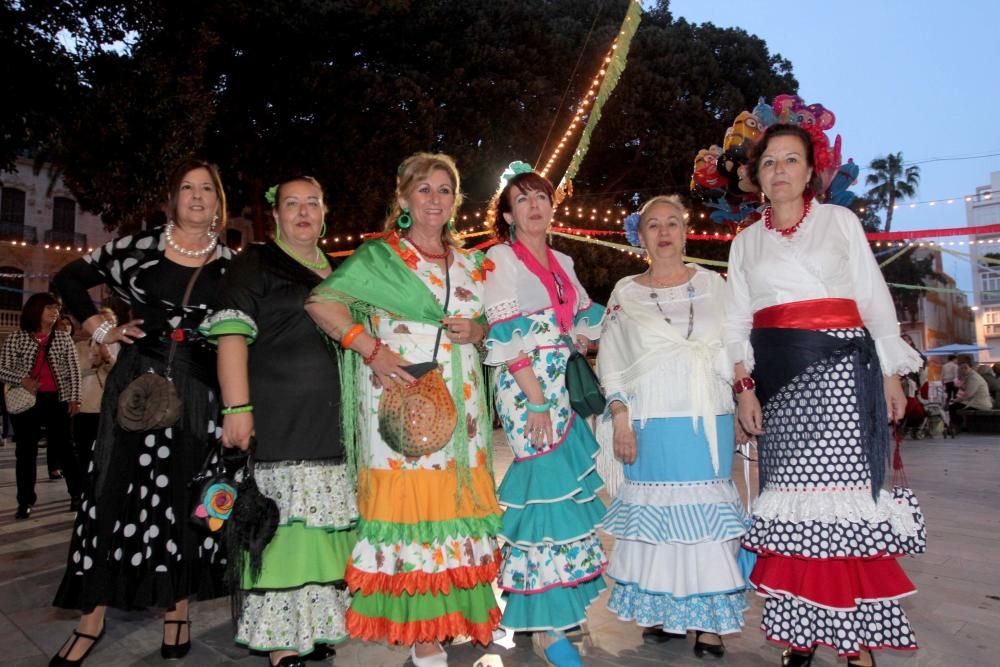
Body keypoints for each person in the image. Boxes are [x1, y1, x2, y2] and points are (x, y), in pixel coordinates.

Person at [725, 124, 927, 667]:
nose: (781, 171)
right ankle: (800, 634)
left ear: (812, 171)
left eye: (792, 161)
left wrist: (889, 374)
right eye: (770, 163)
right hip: (780, 385)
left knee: (842, 513)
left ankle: (853, 641)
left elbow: (873, 299)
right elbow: (736, 323)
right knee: (794, 515)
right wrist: (744, 388)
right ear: (757, 176)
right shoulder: (745, 242)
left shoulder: (840, 222)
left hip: (842, 378)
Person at [306, 153, 501, 667]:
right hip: (400, 400)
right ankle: (422, 634)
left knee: (453, 512)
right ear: (404, 199)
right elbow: (322, 302)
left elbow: (491, 327)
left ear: (454, 201)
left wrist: (479, 332)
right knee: (414, 513)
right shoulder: (380, 257)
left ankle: (447, 618)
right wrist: (369, 348)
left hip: (462, 409)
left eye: (444, 190)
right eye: (424, 189)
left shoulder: (471, 263)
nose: (434, 199)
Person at [49, 159, 232, 666]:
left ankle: (177, 610)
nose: (197, 197)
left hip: (198, 391)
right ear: (171, 199)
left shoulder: (228, 262)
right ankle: (91, 619)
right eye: (187, 188)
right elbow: (68, 278)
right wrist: (103, 329)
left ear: (218, 202)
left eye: (207, 190)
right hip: (137, 385)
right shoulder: (136, 248)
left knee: (181, 497)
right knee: (110, 492)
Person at [206, 177, 358, 667]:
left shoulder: (338, 270)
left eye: (312, 202)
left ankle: (314, 630)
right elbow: (230, 334)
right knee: (283, 530)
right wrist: (236, 408)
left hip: (331, 423)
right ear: (275, 214)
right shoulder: (254, 262)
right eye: (291, 203)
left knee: (321, 532)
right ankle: (282, 643)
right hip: (278, 417)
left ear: (325, 212)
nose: (303, 212)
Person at [596, 196, 750, 658]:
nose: (663, 232)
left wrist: (742, 395)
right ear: (639, 237)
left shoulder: (713, 285)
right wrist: (620, 416)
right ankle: (661, 612)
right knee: (657, 523)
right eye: (652, 225)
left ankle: (708, 624)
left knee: (705, 523)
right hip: (649, 420)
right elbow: (612, 362)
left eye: (672, 224)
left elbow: (734, 342)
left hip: (708, 419)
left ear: (685, 232)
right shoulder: (625, 292)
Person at [482, 163, 606, 667]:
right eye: (523, 199)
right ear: (508, 213)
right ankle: (544, 622)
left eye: (541, 198)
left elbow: (581, 314)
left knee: (561, 493)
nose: (535, 206)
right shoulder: (498, 257)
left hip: (564, 378)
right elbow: (502, 327)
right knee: (544, 489)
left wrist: (581, 333)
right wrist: (533, 396)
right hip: (524, 380)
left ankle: (552, 609)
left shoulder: (563, 259)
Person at [0, 293, 82, 518]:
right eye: (49, 308)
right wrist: (22, 379)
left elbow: (74, 371)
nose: (54, 312)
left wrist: (74, 398)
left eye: (56, 308)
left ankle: (77, 494)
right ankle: (25, 501)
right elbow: (2, 369)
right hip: (27, 400)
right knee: (26, 452)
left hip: (57, 399)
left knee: (65, 448)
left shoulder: (64, 338)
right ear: (35, 310)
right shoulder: (16, 338)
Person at [73, 308, 118, 476]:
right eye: (101, 323)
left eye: (109, 323)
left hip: (108, 409)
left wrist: (108, 358)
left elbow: (121, 376)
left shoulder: (120, 347)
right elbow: (74, 373)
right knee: (83, 452)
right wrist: (93, 363)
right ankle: (84, 489)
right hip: (84, 408)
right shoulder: (80, 347)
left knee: (106, 452)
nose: (105, 327)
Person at [948, 362, 993, 432]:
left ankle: (957, 426)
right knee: (955, 406)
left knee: (953, 407)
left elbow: (969, 394)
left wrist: (957, 400)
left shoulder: (973, 378)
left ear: (965, 369)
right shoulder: (971, 376)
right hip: (976, 401)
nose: (960, 373)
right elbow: (966, 389)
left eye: (961, 371)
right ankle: (959, 425)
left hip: (979, 403)